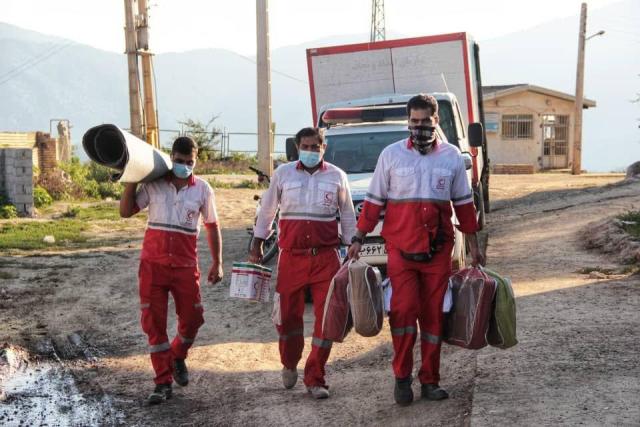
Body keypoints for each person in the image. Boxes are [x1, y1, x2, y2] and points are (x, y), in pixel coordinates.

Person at [347, 94, 485, 406]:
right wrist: (358, 238)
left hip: (437, 253)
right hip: (401, 252)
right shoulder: (391, 155)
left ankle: (431, 381)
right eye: (414, 122)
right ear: (408, 122)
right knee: (403, 314)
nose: (419, 127)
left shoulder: (450, 157)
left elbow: (464, 206)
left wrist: (474, 246)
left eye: (425, 122)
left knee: (434, 318)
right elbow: (373, 203)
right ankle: (401, 379)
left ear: (436, 121)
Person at [249, 127, 356, 399]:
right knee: (287, 318)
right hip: (291, 258)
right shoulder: (283, 174)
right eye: (306, 146)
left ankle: (316, 377)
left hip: (326, 258)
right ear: (297, 147)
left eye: (316, 146)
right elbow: (267, 209)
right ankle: (289, 361)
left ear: (324, 148)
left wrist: (353, 244)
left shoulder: (337, 176)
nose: (311, 151)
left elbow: (346, 215)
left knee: (327, 318)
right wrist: (258, 241)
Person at [120, 136, 223, 405]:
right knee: (154, 326)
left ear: (196, 161)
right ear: (171, 157)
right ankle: (162, 382)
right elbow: (125, 211)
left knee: (193, 318)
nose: (184, 166)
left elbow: (212, 226)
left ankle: (177, 354)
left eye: (190, 162)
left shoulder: (202, 189)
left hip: (185, 267)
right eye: (179, 161)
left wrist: (217, 262)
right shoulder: (153, 184)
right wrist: (132, 177)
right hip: (153, 266)